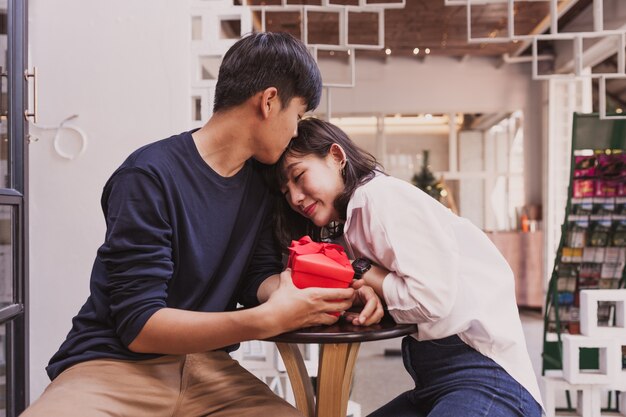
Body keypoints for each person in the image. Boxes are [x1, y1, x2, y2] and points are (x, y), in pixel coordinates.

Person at [22, 33, 382, 417]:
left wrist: (332, 295)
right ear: (269, 101)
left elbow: (256, 277)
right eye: (298, 114)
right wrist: (263, 320)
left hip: (209, 369)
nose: (296, 131)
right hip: (113, 364)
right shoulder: (147, 176)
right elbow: (139, 324)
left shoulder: (261, 185)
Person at [272, 117, 544, 417]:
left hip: (489, 379)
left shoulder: (379, 197)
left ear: (336, 157)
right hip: (434, 382)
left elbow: (431, 300)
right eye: (286, 191)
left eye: (299, 176)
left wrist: (360, 269)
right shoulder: (351, 224)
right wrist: (368, 293)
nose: (295, 197)